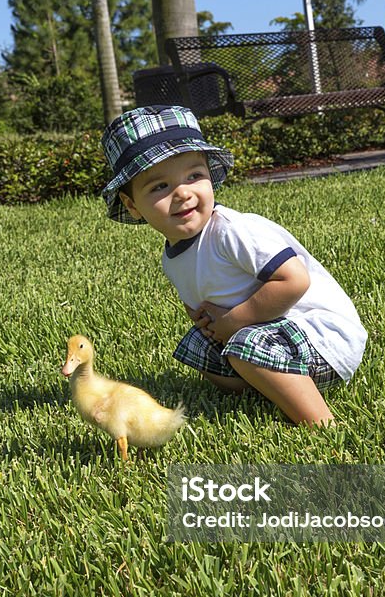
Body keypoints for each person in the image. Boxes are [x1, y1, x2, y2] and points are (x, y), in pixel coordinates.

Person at [101, 105, 367, 426]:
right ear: (132, 205)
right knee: (200, 345)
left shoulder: (232, 230)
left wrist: (234, 321)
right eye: (160, 186)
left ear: (210, 177)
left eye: (194, 176)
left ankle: (318, 422)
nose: (183, 193)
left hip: (324, 339)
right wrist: (211, 324)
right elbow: (199, 304)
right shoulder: (172, 257)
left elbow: (293, 280)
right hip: (270, 338)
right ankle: (267, 392)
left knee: (243, 344)